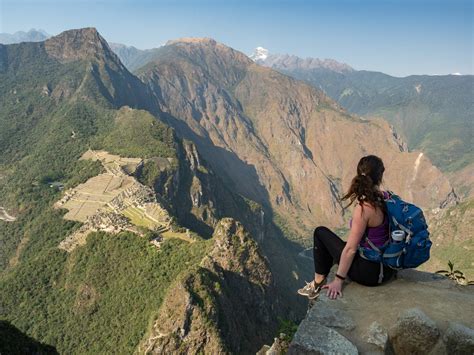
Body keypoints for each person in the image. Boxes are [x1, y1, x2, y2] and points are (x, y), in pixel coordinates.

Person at [298, 155, 395, 300]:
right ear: (381, 175)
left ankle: (317, 284)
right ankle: (318, 282)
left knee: (320, 232)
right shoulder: (388, 198)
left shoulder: (364, 209)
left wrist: (338, 280)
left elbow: (351, 249)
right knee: (340, 245)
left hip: (370, 274)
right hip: (388, 268)